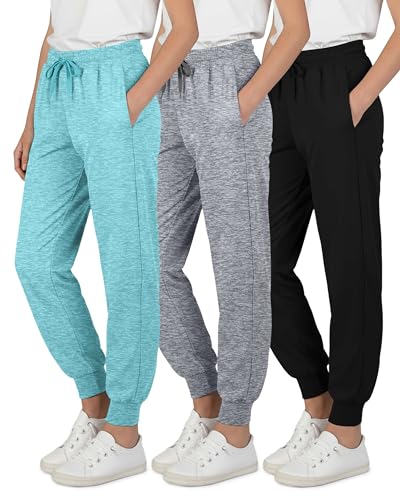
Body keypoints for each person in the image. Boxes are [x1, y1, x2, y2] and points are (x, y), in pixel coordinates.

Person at [14, 0, 198, 487]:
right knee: (36, 261)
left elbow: (185, 29)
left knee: (127, 266)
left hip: (116, 82)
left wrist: (129, 107)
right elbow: (55, 26)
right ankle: (96, 405)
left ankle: (125, 431)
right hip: (57, 84)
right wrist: (33, 120)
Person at [152, 0, 309, 486]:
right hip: (171, 82)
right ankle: (208, 403)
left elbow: (296, 28)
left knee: (239, 264)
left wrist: (243, 103)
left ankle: (236, 427)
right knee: (148, 260)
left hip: (230, 79)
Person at [264, 0, 400, 487]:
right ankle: (318, 402)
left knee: (349, 266)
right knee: (259, 263)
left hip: (342, 80)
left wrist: (356, 101)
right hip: (282, 80)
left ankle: (347, 431)